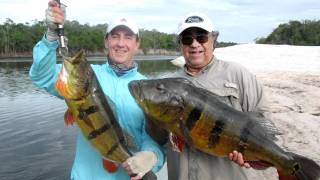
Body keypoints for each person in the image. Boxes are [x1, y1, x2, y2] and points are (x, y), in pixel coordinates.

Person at [29, 1, 164, 179]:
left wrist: (152, 156)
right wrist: (51, 38)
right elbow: (42, 76)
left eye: (128, 37)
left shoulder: (148, 88)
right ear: (106, 41)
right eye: (115, 36)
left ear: (137, 44)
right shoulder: (88, 75)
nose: (121, 43)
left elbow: (154, 137)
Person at [166, 12, 275, 180]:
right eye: (187, 39)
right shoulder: (168, 84)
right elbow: (159, 137)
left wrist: (254, 155)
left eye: (201, 37)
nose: (195, 44)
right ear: (180, 44)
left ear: (213, 40)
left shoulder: (237, 74)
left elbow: (263, 119)